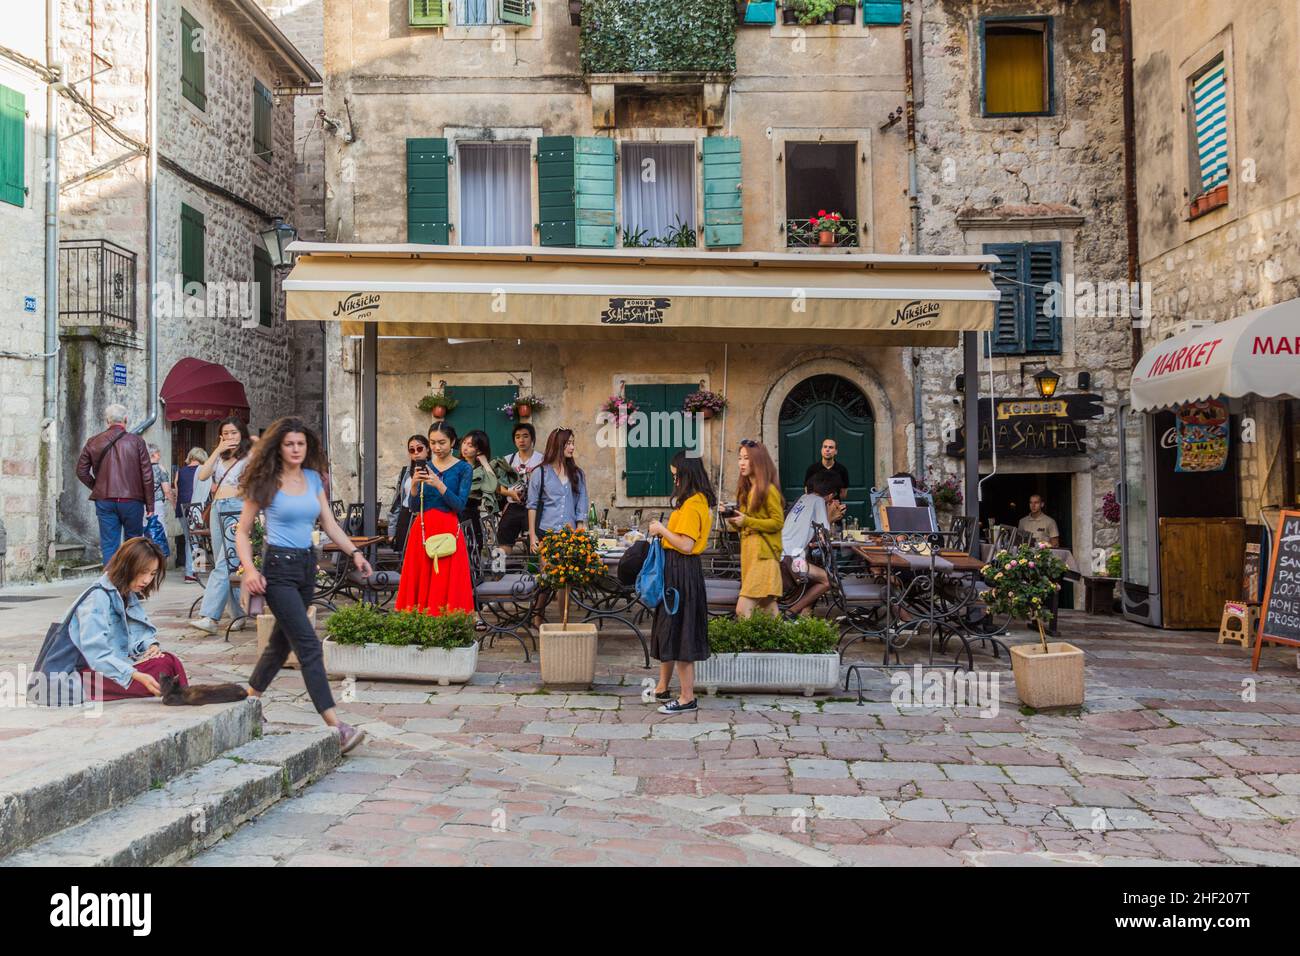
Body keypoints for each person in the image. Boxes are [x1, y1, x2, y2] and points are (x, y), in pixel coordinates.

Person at [238, 417, 373, 754]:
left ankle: (247, 705)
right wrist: (250, 571)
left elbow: (329, 524)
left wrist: (355, 552)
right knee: (309, 646)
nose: (297, 449)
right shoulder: (266, 481)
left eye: (301, 444)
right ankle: (336, 726)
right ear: (278, 447)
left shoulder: (314, 479)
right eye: (289, 444)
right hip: (278, 570)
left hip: (305, 568)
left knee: (280, 645)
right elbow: (242, 530)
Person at [60, 537, 188, 701]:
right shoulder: (96, 598)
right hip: (82, 676)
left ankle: (179, 695)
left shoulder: (126, 593)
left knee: (166, 662)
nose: (147, 580)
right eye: (143, 572)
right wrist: (135, 675)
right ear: (127, 566)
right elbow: (97, 655)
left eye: (152, 574)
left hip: (111, 669)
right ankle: (181, 696)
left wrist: (151, 646)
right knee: (163, 670)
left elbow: (137, 633)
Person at [646, 452, 715, 715]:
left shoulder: (693, 505)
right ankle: (663, 685)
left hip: (682, 571)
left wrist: (661, 530)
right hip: (678, 571)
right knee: (669, 626)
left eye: (676, 475)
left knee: (681, 629)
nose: (674, 480)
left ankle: (687, 697)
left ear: (686, 475)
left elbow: (686, 544)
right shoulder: (693, 502)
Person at [394, 422, 474, 615]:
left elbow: (460, 505)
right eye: (433, 442)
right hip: (421, 530)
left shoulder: (464, 468)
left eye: (442, 442)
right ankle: (419, 628)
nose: (437, 448)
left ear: (453, 442)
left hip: (448, 529)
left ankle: (446, 629)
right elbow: (414, 508)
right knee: (420, 581)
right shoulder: (424, 466)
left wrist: (439, 485)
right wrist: (413, 486)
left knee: (446, 582)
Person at [189, 418, 254, 634]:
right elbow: (202, 475)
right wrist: (217, 449)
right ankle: (238, 616)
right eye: (225, 433)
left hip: (238, 508)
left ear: (241, 434)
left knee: (226, 562)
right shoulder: (220, 456)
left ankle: (210, 617)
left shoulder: (249, 455)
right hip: (217, 509)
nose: (230, 437)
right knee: (227, 562)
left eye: (234, 433)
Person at [75, 403, 156, 566]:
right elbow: (147, 475)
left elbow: (81, 471)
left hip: (105, 501)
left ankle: (110, 585)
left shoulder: (93, 441)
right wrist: (150, 506)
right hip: (132, 501)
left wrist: (98, 486)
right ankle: (132, 584)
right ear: (126, 419)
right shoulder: (137, 442)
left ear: (107, 421)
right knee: (133, 544)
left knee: (109, 545)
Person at [726, 440, 785, 618]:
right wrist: (735, 520)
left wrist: (747, 521)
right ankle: (780, 644)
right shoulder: (749, 490)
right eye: (740, 458)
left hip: (764, 556)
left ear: (758, 462)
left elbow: (777, 522)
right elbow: (748, 523)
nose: (741, 463)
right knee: (768, 610)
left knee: (743, 610)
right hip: (751, 556)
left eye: (746, 458)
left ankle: (747, 645)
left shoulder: (768, 490)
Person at [781, 470, 847, 616]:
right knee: (829, 580)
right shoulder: (818, 502)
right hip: (791, 560)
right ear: (830, 495)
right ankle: (791, 612)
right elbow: (824, 537)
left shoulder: (804, 498)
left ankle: (801, 612)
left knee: (814, 571)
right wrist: (831, 516)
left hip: (782, 555)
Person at [527, 427, 589, 553]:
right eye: (568, 444)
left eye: (573, 443)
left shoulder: (577, 474)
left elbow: (581, 504)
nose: (572, 447)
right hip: (546, 533)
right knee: (548, 572)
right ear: (557, 445)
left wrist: (579, 530)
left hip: (570, 535)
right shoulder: (540, 473)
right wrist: (533, 536)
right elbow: (532, 506)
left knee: (569, 572)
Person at [494, 423, 544, 552]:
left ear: (532, 439)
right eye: (517, 437)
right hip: (513, 506)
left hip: (535, 506)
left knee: (537, 539)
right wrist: (510, 493)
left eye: (525, 436)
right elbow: (497, 486)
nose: (521, 440)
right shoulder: (508, 460)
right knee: (503, 537)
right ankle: (499, 569)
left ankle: (536, 569)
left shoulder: (542, 460)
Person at [460, 429, 508, 552]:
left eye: (470, 445)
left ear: (479, 450)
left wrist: (485, 462)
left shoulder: (481, 470)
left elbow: (492, 486)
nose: (464, 447)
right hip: (455, 513)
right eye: (464, 443)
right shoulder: (456, 465)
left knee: (472, 549)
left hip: (470, 514)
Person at [386, 434, 430, 555]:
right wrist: (392, 530)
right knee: (405, 556)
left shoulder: (435, 470)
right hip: (406, 517)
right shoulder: (406, 472)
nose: (416, 452)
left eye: (419, 448)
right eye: (412, 450)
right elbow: (398, 501)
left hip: (425, 517)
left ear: (428, 449)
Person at [174, 447, 211, 582]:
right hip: (197, 509)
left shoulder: (180, 471)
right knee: (196, 539)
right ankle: (191, 572)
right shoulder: (204, 470)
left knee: (189, 539)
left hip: (182, 508)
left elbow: (177, 491)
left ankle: (197, 569)